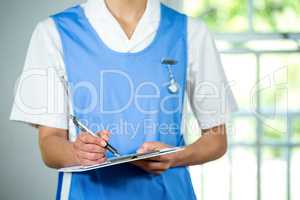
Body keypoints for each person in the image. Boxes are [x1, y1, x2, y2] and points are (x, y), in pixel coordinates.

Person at [10, 0, 238, 199]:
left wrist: (176, 157)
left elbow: (216, 140)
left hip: (170, 193)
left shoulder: (191, 32)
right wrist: (78, 153)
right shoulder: (54, 32)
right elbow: (50, 144)